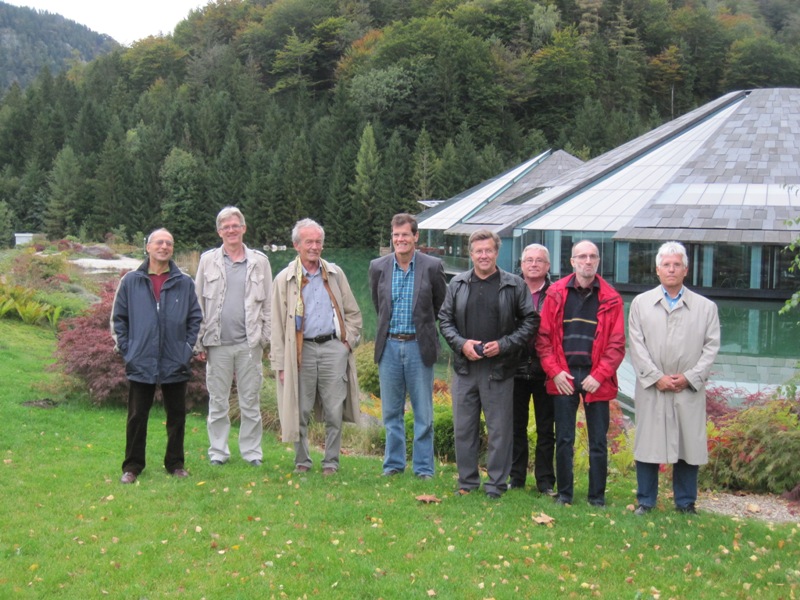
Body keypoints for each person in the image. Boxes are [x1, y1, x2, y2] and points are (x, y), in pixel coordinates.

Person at [439, 229, 537, 499]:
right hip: (465, 369)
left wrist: (503, 345)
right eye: (478, 251)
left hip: (499, 370)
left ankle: (496, 485)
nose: (483, 255)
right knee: (464, 429)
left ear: (496, 252)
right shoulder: (457, 284)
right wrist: (462, 344)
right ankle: (467, 482)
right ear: (471, 254)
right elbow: (445, 320)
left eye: (488, 250)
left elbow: (530, 321)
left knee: (499, 431)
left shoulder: (514, 285)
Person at [629, 241, 720, 515]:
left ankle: (686, 502)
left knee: (687, 444)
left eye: (676, 265)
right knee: (648, 443)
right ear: (657, 269)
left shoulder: (705, 307)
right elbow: (636, 345)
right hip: (652, 387)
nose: (671, 269)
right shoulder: (641, 304)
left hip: (687, 388)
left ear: (685, 270)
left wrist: (690, 377)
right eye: (666, 265)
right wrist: (655, 377)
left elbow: (711, 347)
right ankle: (646, 500)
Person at [535, 240, 625, 507]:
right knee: (564, 439)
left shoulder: (611, 297)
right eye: (582, 256)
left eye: (592, 256)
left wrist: (600, 375)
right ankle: (565, 495)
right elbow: (543, 339)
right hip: (564, 374)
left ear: (598, 261)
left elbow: (617, 344)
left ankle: (597, 497)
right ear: (572, 261)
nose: (588, 261)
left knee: (598, 441)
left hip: (596, 376)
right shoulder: (555, 293)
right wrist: (555, 372)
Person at [270, 218, 362, 475]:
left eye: (318, 242)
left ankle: (331, 461)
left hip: (333, 348)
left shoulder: (335, 274)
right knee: (300, 410)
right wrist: (280, 365)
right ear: (296, 245)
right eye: (308, 242)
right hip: (301, 352)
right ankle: (302, 460)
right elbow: (276, 326)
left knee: (334, 410)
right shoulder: (285, 279)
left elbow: (353, 313)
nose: (314, 247)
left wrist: (347, 342)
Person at [111, 228, 202, 484]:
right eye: (159, 242)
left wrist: (186, 349)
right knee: (137, 416)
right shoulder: (131, 281)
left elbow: (195, 318)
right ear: (148, 247)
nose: (164, 246)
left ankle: (175, 464)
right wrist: (128, 350)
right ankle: (132, 466)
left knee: (176, 417)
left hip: (175, 360)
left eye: (169, 243)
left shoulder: (184, 282)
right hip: (141, 359)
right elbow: (119, 319)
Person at [369, 213, 447, 479]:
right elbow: (379, 306)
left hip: (418, 347)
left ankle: (423, 468)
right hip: (389, 346)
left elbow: (440, 306)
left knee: (423, 413)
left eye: (405, 234)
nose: (400, 239)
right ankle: (393, 465)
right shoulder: (378, 267)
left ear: (416, 236)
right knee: (391, 412)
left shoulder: (432, 266)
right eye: (396, 235)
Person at [195, 206, 272, 467]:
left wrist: (265, 339)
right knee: (218, 402)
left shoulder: (260, 261)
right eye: (226, 227)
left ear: (243, 228)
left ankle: (252, 453)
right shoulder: (207, 261)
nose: (231, 230)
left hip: (250, 344)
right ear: (219, 232)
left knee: (250, 402)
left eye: (235, 226)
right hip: (217, 344)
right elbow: (198, 302)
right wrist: (200, 341)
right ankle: (218, 452)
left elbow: (269, 304)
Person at [509, 244, 552, 494]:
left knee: (546, 429)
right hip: (515, 367)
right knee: (516, 427)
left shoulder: (556, 293)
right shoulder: (511, 289)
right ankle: (516, 478)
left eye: (539, 260)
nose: (534, 264)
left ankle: (545, 481)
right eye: (529, 260)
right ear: (522, 264)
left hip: (546, 369)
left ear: (548, 266)